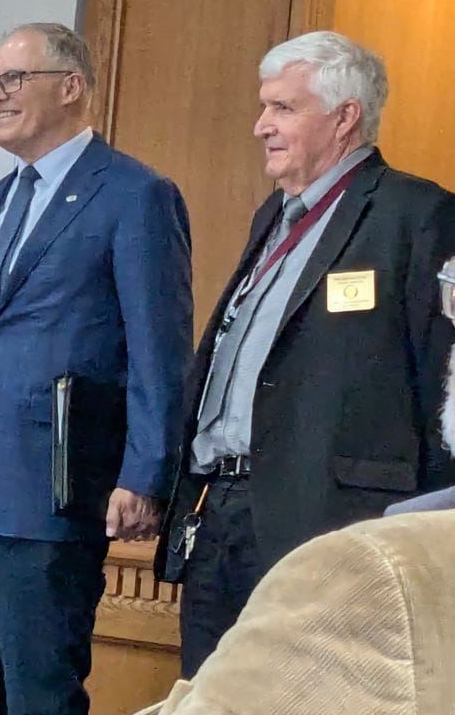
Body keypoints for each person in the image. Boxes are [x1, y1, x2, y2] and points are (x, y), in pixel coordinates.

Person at [0, 23, 193, 715]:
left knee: (39, 695)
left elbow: (160, 346)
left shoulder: (135, 195)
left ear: (71, 87)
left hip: (51, 493)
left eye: (12, 80)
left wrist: (146, 472)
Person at [156, 31, 455, 677]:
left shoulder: (415, 213)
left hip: (328, 519)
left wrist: (427, 537)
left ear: (345, 116)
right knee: (212, 692)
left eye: (283, 108)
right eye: (265, 107)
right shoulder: (275, 214)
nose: (261, 125)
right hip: (222, 513)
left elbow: (441, 386)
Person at [132, 259, 455, 715]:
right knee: (206, 674)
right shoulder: (275, 220)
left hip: (314, 514)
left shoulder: (411, 213)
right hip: (216, 505)